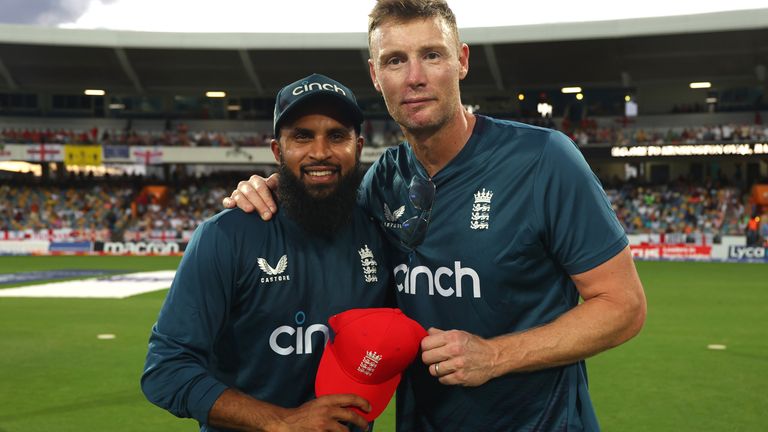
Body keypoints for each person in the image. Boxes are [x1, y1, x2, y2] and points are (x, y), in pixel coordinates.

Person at [223, 1, 647, 430]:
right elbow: (325, 223)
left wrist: (496, 356)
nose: (414, 78)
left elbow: (623, 306)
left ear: (461, 61)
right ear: (375, 75)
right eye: (395, 61)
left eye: (431, 54)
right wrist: (279, 185)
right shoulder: (382, 179)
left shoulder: (543, 159)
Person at [142, 73, 394, 432]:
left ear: (358, 145)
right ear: (278, 150)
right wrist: (284, 421)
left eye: (337, 136)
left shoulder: (379, 234)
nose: (320, 152)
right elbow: (165, 371)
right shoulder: (225, 236)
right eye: (302, 136)